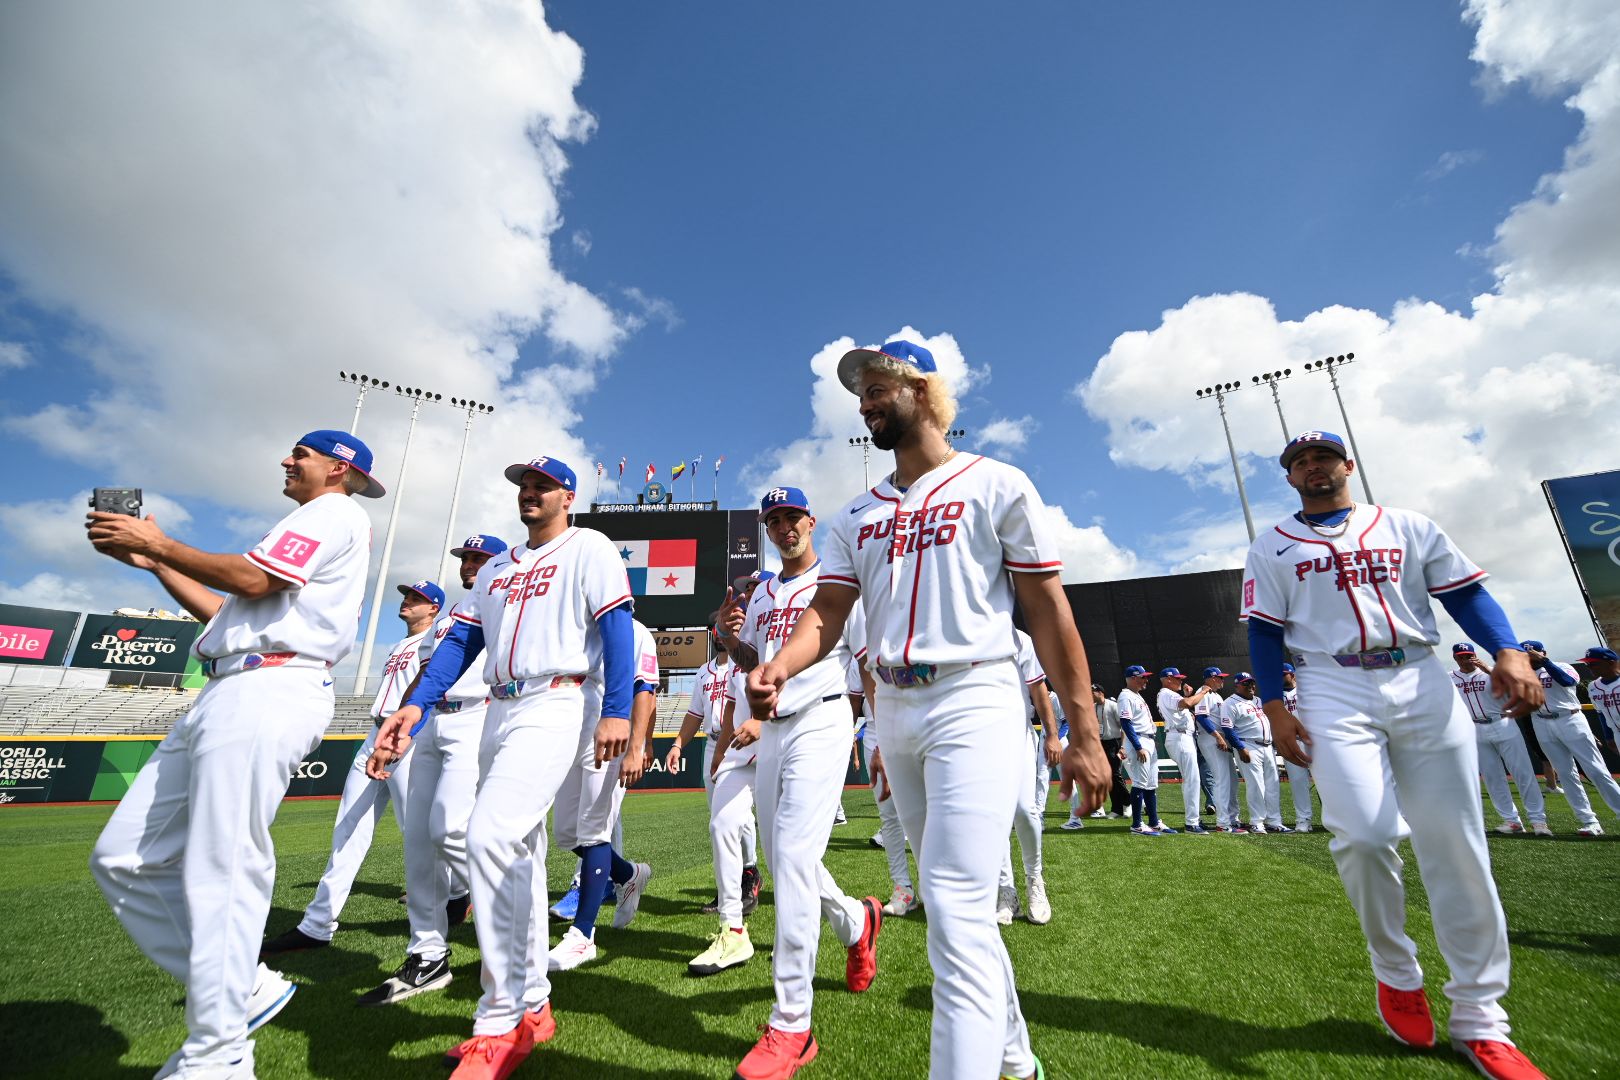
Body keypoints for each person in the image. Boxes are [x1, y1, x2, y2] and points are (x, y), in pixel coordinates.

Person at [753, 339, 1111, 1080]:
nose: (865, 400)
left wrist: (1083, 732)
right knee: (961, 914)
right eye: (861, 391)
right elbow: (828, 611)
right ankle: (1014, 1056)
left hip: (975, 693)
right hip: (895, 707)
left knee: (951, 906)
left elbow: (1048, 612)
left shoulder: (997, 483)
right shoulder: (855, 514)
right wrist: (780, 664)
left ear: (924, 389)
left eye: (879, 384)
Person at [1242, 429, 1547, 1080]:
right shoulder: (1271, 545)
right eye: (1299, 462)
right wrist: (1275, 707)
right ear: (1290, 479)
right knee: (1366, 833)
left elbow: (1465, 594)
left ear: (1347, 465)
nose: (1313, 466)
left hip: (1420, 675)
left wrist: (1510, 650)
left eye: (1322, 456)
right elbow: (1264, 633)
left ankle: (1481, 1018)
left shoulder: (1405, 525)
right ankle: (1396, 970)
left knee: (1456, 845)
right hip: (1331, 681)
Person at [87, 429, 380, 1079]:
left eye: (300, 453)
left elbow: (254, 576)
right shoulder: (308, 520)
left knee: (224, 862)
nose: (287, 459)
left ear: (337, 470)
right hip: (232, 681)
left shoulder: (334, 511)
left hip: (274, 684)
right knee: (123, 858)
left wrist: (159, 540)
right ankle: (244, 984)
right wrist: (157, 563)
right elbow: (228, 606)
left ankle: (217, 1054)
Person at [374, 454, 635, 1078]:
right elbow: (462, 643)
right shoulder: (495, 568)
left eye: (543, 485)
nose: (530, 493)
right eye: (523, 484)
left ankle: (498, 1018)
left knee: (486, 835)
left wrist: (618, 710)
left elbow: (619, 628)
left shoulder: (589, 547)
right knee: (519, 852)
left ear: (567, 496)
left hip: (556, 697)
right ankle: (535, 1001)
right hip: (497, 707)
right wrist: (415, 705)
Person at [717, 485, 881, 1080]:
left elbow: (863, 657)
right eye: (774, 519)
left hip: (823, 717)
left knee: (790, 856)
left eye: (793, 516)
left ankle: (792, 1024)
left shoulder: (836, 580)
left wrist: (879, 733)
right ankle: (857, 922)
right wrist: (728, 640)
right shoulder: (760, 591)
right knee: (789, 854)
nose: (785, 526)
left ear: (811, 520)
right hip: (773, 728)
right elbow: (756, 664)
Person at [261, 577, 444, 957]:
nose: (408, 600)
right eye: (407, 594)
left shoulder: (433, 642)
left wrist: (402, 735)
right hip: (374, 735)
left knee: (418, 834)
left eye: (418, 598)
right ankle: (317, 924)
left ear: (434, 608)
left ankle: (446, 905)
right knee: (348, 829)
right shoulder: (398, 644)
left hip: (407, 740)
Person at [359, 534, 505, 1007]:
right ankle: (427, 952)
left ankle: (507, 906)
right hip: (429, 723)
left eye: (479, 557)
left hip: (473, 717)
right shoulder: (446, 620)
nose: (469, 563)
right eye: (465, 557)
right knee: (418, 839)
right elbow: (425, 676)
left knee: (448, 828)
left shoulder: (502, 607)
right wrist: (402, 723)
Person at [545, 615, 660, 970]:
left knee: (594, 832)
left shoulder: (637, 630)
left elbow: (645, 689)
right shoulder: (577, 626)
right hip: (572, 726)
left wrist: (639, 745)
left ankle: (582, 936)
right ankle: (628, 875)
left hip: (613, 729)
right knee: (566, 833)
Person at [666, 627, 761, 916]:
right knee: (719, 816)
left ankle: (748, 873)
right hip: (714, 742)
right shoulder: (703, 672)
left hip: (749, 737)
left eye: (727, 631)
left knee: (741, 816)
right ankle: (729, 887)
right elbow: (695, 713)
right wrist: (678, 744)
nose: (721, 636)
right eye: (717, 631)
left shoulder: (744, 661)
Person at [688, 660, 763, 974]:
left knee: (789, 850)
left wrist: (762, 718)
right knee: (721, 824)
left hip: (789, 737)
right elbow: (732, 704)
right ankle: (733, 929)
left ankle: (853, 920)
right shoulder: (737, 649)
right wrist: (720, 753)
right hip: (738, 746)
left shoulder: (802, 616)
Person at [1451, 643, 1551, 837]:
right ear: (1455, 658)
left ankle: (1538, 820)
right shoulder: (1450, 677)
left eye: (1469, 655)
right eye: (1462, 656)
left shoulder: (1493, 672)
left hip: (1503, 722)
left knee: (1522, 773)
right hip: (1475, 728)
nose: (1466, 659)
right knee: (1492, 777)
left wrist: (1487, 669)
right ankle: (1511, 820)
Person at [1522, 640, 1620, 837]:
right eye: (1525, 654)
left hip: (1569, 718)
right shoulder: (1522, 675)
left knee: (1596, 770)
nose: (1529, 657)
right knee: (1566, 774)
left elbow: (1568, 681)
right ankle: (1589, 821)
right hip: (1541, 722)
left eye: (1533, 653)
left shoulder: (1561, 666)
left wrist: (1545, 661)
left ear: (1543, 652)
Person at [996, 629, 1061, 924]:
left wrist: (1052, 735)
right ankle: (1005, 891)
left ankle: (1035, 881)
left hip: (1017, 732)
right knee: (993, 817)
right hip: (974, 738)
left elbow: (1039, 690)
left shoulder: (1020, 639)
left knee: (1024, 809)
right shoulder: (957, 632)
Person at [854, 654, 920, 915]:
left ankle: (931, 882)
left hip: (916, 718)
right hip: (874, 730)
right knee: (889, 815)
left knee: (923, 810)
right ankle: (903, 886)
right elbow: (855, 697)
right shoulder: (859, 641)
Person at [1219, 674, 1279, 834]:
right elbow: (1227, 728)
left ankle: (1274, 821)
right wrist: (1240, 747)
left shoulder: (1258, 700)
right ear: (1238, 686)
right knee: (1256, 785)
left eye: (1252, 683)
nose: (1251, 686)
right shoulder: (1230, 703)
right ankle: (1257, 822)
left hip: (1267, 746)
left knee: (1273, 784)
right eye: (1247, 684)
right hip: (1248, 745)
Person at [1118, 666, 1172, 834]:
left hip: (1147, 739)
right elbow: (1126, 723)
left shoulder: (1136, 695)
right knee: (1140, 783)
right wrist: (1138, 746)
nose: (1146, 680)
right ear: (1134, 678)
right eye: (1143, 677)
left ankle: (1154, 821)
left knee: (1150, 784)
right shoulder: (1125, 696)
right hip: (1139, 741)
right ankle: (1137, 824)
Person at [1155, 667, 1209, 833]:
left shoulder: (1169, 694)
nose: (1181, 681)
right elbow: (1187, 704)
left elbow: (1182, 705)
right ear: (1167, 679)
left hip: (1181, 736)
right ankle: (1191, 823)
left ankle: (1194, 820)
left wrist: (1187, 696)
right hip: (1179, 737)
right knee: (1192, 779)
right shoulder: (1166, 693)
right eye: (1177, 678)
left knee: (1192, 779)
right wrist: (1203, 692)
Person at [1192, 667, 1240, 832]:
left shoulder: (1216, 695)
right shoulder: (1203, 692)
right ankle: (1223, 823)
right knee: (1222, 780)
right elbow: (1202, 718)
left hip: (1220, 740)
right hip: (1211, 739)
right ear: (1211, 678)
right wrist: (1218, 737)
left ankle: (1233, 819)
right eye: (1219, 677)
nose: (1222, 680)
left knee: (1232, 781)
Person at [1279, 663, 1315, 832]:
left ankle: (1336, 819)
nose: (1280, 677)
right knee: (1298, 783)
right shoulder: (1275, 697)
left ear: (1292, 675)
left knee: (1325, 781)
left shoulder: (1307, 690)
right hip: (1291, 741)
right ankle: (1303, 820)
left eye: (1284, 674)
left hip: (1313, 740)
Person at [1574, 645, 1620, 755]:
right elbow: (1601, 713)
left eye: (1594, 663)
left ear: (1610, 663)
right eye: (1587, 664)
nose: (1589, 667)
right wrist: (1609, 737)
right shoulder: (1593, 687)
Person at [1091, 684, 1128, 818]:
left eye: (1092, 692)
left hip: (1115, 742)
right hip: (1102, 743)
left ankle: (1128, 802)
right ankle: (1117, 809)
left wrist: (1123, 746)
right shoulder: (1093, 708)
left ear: (1100, 692)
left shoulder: (1113, 705)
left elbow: (1123, 726)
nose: (1090, 695)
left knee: (1115, 774)